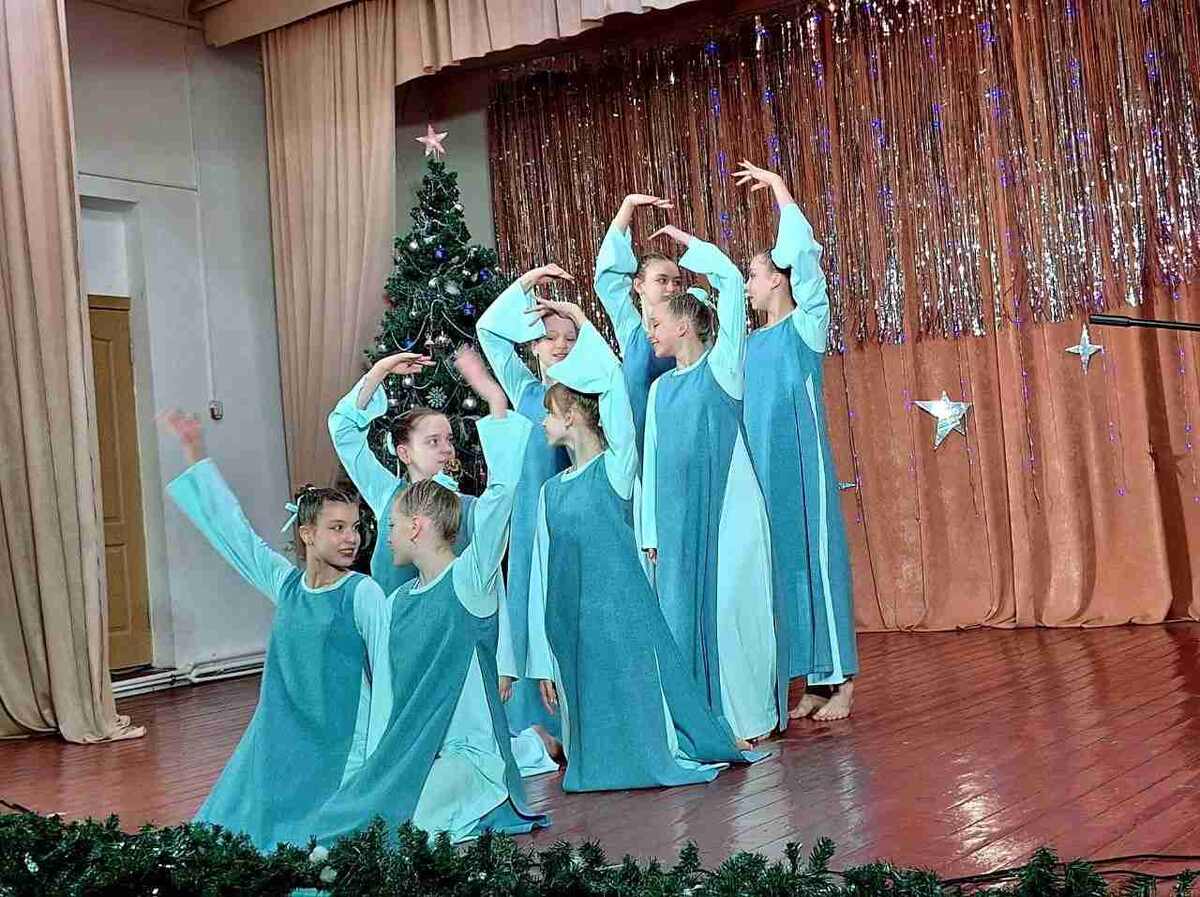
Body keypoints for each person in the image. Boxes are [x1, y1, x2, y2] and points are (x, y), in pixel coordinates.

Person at [292, 349, 549, 845]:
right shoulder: (386, 495)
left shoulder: (462, 510)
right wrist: (380, 372)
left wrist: (503, 661)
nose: (446, 450)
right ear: (403, 451)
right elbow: (342, 429)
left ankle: (518, 753)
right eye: (433, 441)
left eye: (449, 440)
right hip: (395, 654)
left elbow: (487, 590)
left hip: (449, 665)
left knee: (443, 753)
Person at [523, 296, 760, 791]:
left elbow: (613, 387)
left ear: (572, 416)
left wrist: (582, 321)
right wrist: (544, 658)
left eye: (550, 414)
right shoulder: (550, 492)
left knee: (641, 704)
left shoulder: (614, 469)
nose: (542, 423)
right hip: (572, 623)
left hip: (621, 617)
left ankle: (667, 747)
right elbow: (543, 575)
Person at [160, 410, 389, 850]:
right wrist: (194, 451)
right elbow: (236, 535)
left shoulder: (363, 593)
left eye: (356, 528)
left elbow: (386, 677)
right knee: (236, 828)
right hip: (283, 729)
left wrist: (377, 763)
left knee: (323, 841)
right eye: (337, 528)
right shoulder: (286, 586)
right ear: (307, 534)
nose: (351, 538)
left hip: (343, 738)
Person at [640, 223, 785, 742]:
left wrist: (690, 247)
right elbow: (652, 464)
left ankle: (748, 718)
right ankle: (701, 719)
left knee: (733, 609)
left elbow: (725, 277)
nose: (650, 331)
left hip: (731, 510)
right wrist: (650, 532)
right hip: (681, 522)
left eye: (657, 322)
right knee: (685, 615)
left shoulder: (724, 367)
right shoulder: (659, 391)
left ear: (684, 326)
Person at [735, 160, 860, 721]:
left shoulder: (806, 324)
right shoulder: (746, 344)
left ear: (777, 279)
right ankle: (810, 676)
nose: (748, 285)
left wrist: (780, 190)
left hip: (804, 468)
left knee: (818, 561)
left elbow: (806, 260)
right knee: (782, 569)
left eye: (754, 275)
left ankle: (842, 679)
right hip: (764, 474)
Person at [476, 266, 576, 737]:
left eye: (569, 338)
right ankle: (537, 722)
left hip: (571, 525)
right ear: (533, 345)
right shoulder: (525, 391)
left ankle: (578, 719)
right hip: (530, 526)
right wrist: (529, 282)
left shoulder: (590, 394)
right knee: (527, 613)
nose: (560, 346)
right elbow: (488, 332)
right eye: (549, 337)